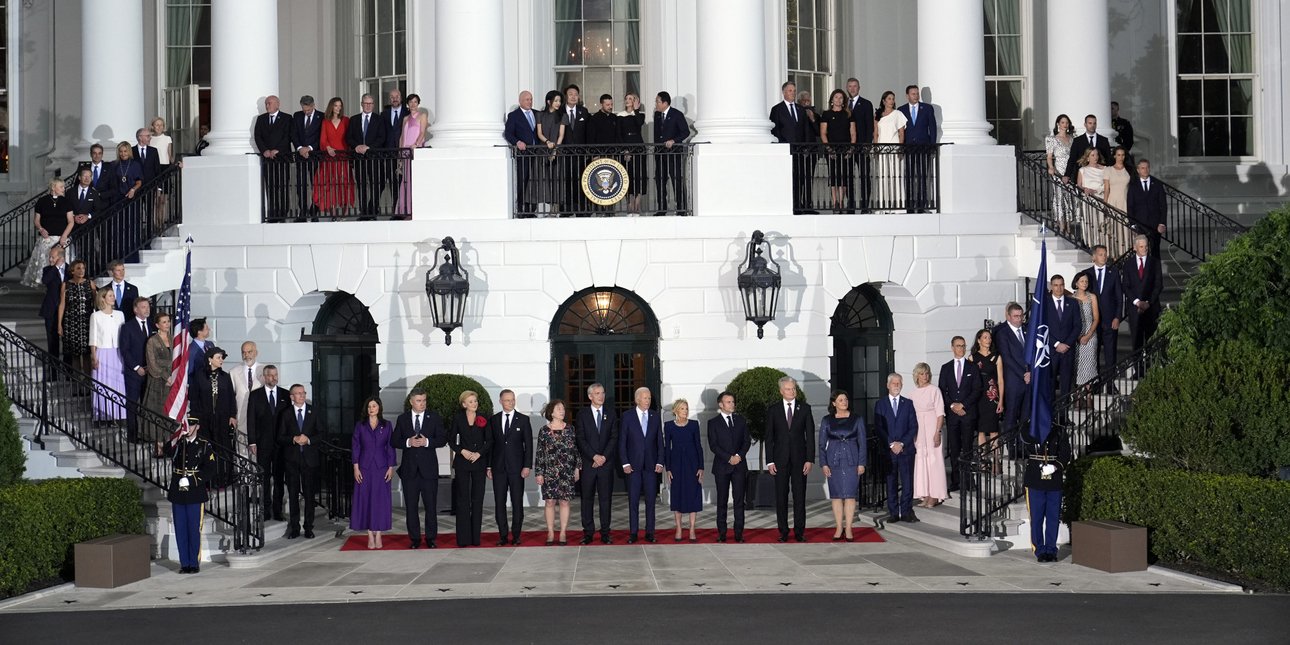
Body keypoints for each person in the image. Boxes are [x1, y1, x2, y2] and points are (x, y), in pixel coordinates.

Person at [392, 387, 446, 548]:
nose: (422, 404)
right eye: (419, 401)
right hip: (410, 471)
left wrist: (427, 442)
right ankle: (414, 539)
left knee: (430, 506)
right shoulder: (402, 419)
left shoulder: (434, 417)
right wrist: (409, 442)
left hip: (429, 470)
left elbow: (442, 439)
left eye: (424, 400)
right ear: (411, 402)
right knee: (411, 507)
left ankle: (431, 538)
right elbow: (394, 441)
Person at [765, 375, 815, 542]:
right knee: (781, 496)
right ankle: (783, 531)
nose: (792, 391)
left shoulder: (805, 408)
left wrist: (809, 459)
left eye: (793, 388)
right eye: (788, 389)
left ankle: (799, 531)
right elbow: (769, 437)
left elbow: (810, 436)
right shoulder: (773, 410)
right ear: (781, 391)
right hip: (780, 461)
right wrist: (770, 461)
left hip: (800, 460)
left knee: (800, 496)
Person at [817, 390, 867, 541]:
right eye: (840, 400)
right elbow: (821, 444)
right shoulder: (827, 420)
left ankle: (849, 528)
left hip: (852, 459)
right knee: (837, 496)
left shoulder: (857, 419)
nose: (844, 402)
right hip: (834, 460)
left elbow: (863, 442)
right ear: (834, 403)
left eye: (845, 399)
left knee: (850, 496)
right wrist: (824, 464)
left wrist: (862, 463)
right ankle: (839, 527)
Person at [168, 415, 215, 574]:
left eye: (191, 425)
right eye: (186, 425)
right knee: (180, 528)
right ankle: (184, 563)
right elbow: (166, 451)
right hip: (177, 492)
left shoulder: (204, 445)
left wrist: (193, 480)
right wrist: (176, 439)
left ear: (197, 427)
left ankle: (194, 563)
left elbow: (210, 469)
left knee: (193, 529)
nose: (188, 428)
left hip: (195, 492)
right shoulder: (178, 443)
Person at [487, 389, 532, 546]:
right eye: (507, 400)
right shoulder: (493, 420)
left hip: (517, 469)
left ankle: (516, 535)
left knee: (517, 502)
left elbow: (529, 445)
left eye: (512, 399)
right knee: (499, 502)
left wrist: (527, 466)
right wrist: (488, 467)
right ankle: (503, 535)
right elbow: (490, 445)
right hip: (498, 468)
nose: (511, 402)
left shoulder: (523, 420)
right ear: (500, 401)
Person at [351, 397, 396, 550]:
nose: (372, 408)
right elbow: (356, 447)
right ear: (367, 409)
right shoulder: (360, 426)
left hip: (382, 467)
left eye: (374, 406)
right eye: (369, 406)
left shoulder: (387, 425)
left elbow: (391, 447)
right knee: (366, 500)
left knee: (380, 501)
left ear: (379, 408)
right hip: (364, 467)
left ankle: (379, 534)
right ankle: (370, 534)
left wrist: (391, 467)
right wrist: (356, 468)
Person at [619, 386, 664, 543]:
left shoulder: (655, 416)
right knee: (633, 501)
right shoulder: (627, 416)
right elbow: (622, 441)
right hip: (633, 466)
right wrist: (625, 462)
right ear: (637, 399)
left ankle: (650, 532)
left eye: (649, 398)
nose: (648, 401)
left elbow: (660, 441)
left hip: (651, 466)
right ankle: (633, 533)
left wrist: (660, 461)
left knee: (651, 501)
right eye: (645, 398)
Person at [449, 390, 492, 547]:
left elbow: (489, 441)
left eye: (475, 401)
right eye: (471, 401)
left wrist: (479, 454)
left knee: (477, 500)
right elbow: (452, 440)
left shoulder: (484, 418)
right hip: (462, 463)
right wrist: (462, 451)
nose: (474, 403)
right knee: (462, 500)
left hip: (479, 463)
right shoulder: (458, 419)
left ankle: (475, 538)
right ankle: (463, 539)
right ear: (464, 404)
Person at [534, 399, 581, 546]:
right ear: (551, 412)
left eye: (563, 408)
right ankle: (550, 532)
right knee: (549, 502)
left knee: (565, 502)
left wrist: (577, 468)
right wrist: (539, 472)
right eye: (559, 408)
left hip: (567, 471)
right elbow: (540, 453)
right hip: (549, 472)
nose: (562, 411)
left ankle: (562, 533)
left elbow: (576, 450)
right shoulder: (544, 430)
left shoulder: (570, 429)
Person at [247, 365, 290, 521]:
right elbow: (250, 419)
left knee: (279, 478)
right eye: (270, 375)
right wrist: (252, 442)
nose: (274, 377)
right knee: (264, 478)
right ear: (264, 377)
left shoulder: (285, 395)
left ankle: (277, 511)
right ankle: (265, 510)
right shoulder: (255, 395)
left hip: (281, 445)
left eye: (275, 375)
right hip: (263, 443)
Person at [938, 336, 981, 493]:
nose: (961, 348)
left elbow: (977, 389)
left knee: (968, 448)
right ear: (952, 347)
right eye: (958, 346)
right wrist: (952, 406)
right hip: (952, 415)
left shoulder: (973, 367)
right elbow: (942, 390)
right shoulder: (946, 368)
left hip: (967, 413)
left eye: (963, 346)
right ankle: (956, 481)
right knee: (954, 448)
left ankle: (969, 481)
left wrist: (962, 405)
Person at [575, 382, 617, 544]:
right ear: (590, 396)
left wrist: (603, 457)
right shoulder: (582, 415)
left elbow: (614, 437)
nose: (601, 396)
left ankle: (605, 533)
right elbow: (580, 438)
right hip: (589, 464)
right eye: (598, 393)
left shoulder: (611, 413)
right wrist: (594, 456)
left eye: (603, 393)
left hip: (605, 464)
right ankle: (588, 533)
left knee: (606, 499)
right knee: (587, 499)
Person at [278, 383, 321, 539]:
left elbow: (321, 434)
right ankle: (295, 527)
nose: (302, 396)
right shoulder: (286, 414)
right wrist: (293, 439)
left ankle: (309, 527)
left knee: (309, 496)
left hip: (309, 461)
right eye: (298, 393)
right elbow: (280, 437)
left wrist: (308, 439)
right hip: (292, 461)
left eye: (303, 393)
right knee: (293, 494)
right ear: (292, 397)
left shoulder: (313, 412)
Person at [874, 373, 918, 522]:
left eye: (899, 383)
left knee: (907, 482)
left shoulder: (908, 403)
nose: (896, 386)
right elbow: (879, 427)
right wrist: (891, 444)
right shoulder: (880, 404)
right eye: (894, 383)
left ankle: (905, 512)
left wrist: (902, 443)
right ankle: (893, 513)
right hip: (889, 451)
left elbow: (913, 427)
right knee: (891, 482)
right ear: (888, 385)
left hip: (906, 450)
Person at [190, 346, 236, 487]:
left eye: (222, 357)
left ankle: (223, 479)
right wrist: (195, 420)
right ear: (210, 359)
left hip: (222, 419)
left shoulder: (225, 377)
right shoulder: (199, 376)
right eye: (218, 357)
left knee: (223, 448)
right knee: (206, 449)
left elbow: (230, 398)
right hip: (204, 419)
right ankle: (207, 481)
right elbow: (194, 399)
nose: (221, 360)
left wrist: (232, 415)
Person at [1024, 425, 1072, 562]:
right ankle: (1039, 550)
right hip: (1035, 479)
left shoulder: (1059, 430)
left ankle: (1051, 549)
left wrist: (1055, 466)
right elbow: (1024, 442)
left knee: (1053, 517)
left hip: (1054, 479)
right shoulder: (1030, 428)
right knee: (1037, 518)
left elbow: (1065, 453)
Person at [708, 390, 750, 543]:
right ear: (721, 404)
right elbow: (713, 445)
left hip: (739, 466)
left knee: (739, 501)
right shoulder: (713, 423)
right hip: (722, 467)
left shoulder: (741, 421)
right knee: (722, 500)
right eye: (728, 402)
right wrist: (728, 458)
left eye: (733, 402)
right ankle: (722, 533)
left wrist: (738, 456)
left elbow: (746, 441)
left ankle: (739, 533)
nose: (732, 404)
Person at [116, 276, 155, 443]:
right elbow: (124, 351)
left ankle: (146, 434)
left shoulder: (153, 325)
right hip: (134, 373)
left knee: (148, 405)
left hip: (150, 372)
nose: (147, 310)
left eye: (147, 307)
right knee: (133, 405)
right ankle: (133, 436)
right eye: (143, 307)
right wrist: (136, 367)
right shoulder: (127, 327)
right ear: (135, 310)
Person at [1120, 235, 1162, 377]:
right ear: (1135, 248)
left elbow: (1158, 285)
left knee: (1151, 340)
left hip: (1151, 308)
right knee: (1136, 342)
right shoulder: (1128, 264)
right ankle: (1139, 371)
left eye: (1146, 246)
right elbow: (1126, 286)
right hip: (1134, 309)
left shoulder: (1155, 262)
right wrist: (1137, 302)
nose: (1145, 249)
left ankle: (1151, 369)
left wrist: (1147, 303)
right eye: (1142, 247)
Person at [664, 398, 703, 542]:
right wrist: (668, 468)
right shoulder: (668, 426)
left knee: (693, 496)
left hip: (692, 464)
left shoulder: (694, 425)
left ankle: (692, 529)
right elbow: (667, 448)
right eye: (682, 409)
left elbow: (698, 446)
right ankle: (679, 528)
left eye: (686, 409)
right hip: (676, 465)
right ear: (675, 410)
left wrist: (701, 467)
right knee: (677, 496)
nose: (685, 411)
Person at [22, 179, 74, 288]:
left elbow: (71, 221)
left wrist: (64, 236)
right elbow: (36, 220)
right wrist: (41, 229)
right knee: (46, 265)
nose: (64, 189)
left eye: (63, 187)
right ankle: (48, 289)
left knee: (63, 266)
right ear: (53, 187)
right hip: (46, 239)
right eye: (61, 187)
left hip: (62, 239)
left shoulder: (67, 201)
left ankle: (63, 287)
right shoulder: (42, 201)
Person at [1086, 245, 1124, 392]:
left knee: (1110, 353)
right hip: (1093, 323)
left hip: (1110, 321)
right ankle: (1095, 383)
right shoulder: (1086, 274)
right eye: (1101, 254)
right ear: (1094, 257)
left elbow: (1119, 297)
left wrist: (1117, 317)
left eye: (1105, 254)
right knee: (1093, 354)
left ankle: (1110, 384)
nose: (1104, 257)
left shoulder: (1113, 272)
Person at [770, 82, 812, 213]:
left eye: (794, 90)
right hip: (785, 151)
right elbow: (775, 130)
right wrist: (781, 146)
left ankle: (798, 204)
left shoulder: (800, 109)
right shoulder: (777, 109)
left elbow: (805, 129)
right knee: (787, 178)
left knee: (799, 177)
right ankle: (789, 204)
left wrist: (806, 146)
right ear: (783, 92)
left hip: (799, 150)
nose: (792, 93)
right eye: (789, 91)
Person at [345, 93, 389, 218]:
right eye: (366, 103)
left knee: (377, 183)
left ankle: (373, 209)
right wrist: (357, 146)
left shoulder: (379, 119)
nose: (368, 106)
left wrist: (369, 148)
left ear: (373, 105)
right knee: (361, 184)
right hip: (359, 158)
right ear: (362, 104)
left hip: (374, 157)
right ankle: (364, 211)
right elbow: (349, 137)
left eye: (370, 103)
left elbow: (382, 137)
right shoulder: (354, 119)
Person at [909, 363, 946, 509]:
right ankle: (924, 493)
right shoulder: (912, 393)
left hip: (932, 428)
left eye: (926, 373)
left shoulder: (934, 390)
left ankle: (935, 495)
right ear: (916, 375)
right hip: (919, 430)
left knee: (934, 460)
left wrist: (937, 432)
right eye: (922, 374)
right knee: (921, 460)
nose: (925, 376)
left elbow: (940, 413)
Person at [88, 288, 126, 426]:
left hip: (118, 353)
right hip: (102, 353)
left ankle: (119, 415)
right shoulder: (96, 316)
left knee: (118, 384)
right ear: (102, 298)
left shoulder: (120, 314)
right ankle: (102, 417)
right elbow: (93, 338)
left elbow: (123, 335)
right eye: (110, 295)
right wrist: (94, 357)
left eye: (113, 295)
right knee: (103, 383)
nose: (113, 297)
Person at [312, 97, 355, 218]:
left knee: (344, 183)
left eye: (340, 106)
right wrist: (328, 148)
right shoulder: (325, 121)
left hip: (343, 157)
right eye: (336, 105)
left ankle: (345, 213)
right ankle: (333, 213)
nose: (338, 108)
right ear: (331, 106)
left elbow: (349, 138)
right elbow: (322, 140)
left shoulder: (346, 120)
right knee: (329, 184)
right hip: (329, 158)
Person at [993, 302, 1031, 438]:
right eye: (1015, 316)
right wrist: (1023, 374)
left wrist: (1031, 372)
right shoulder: (1002, 333)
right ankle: (1010, 448)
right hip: (1014, 381)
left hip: (1029, 379)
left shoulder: (1027, 330)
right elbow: (1007, 358)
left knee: (1026, 416)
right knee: (1011, 416)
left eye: (1021, 316)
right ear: (1008, 317)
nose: (1019, 319)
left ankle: (1023, 446)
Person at [253, 95, 293, 221]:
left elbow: (288, 136)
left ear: (277, 104)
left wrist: (278, 150)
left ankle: (283, 212)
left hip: (282, 158)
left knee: (282, 185)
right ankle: (273, 213)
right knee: (270, 186)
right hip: (268, 159)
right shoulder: (261, 119)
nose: (267, 105)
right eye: (266, 103)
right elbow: (257, 136)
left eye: (269, 103)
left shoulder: (287, 118)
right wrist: (265, 150)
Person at [898, 85, 937, 213]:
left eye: (917, 93)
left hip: (923, 146)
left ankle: (921, 204)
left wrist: (932, 146)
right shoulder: (901, 110)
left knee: (922, 176)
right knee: (908, 176)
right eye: (913, 94)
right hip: (908, 148)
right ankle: (909, 205)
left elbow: (933, 128)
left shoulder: (927, 108)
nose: (916, 96)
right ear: (907, 95)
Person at [970, 329, 1004, 469]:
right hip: (978, 396)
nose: (988, 340)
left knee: (994, 430)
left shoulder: (997, 357)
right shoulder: (972, 358)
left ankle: (996, 463)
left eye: (989, 337)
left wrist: (1001, 400)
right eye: (985, 337)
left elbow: (1000, 380)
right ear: (979, 340)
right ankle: (983, 461)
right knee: (981, 430)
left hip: (992, 395)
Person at [819, 89, 857, 213]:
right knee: (834, 175)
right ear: (832, 99)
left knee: (844, 176)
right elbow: (823, 133)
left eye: (841, 98)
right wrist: (829, 149)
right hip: (831, 148)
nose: (838, 100)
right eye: (836, 97)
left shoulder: (848, 114)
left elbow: (853, 133)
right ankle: (835, 202)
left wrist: (851, 149)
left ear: (844, 101)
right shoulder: (826, 114)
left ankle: (841, 201)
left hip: (846, 148)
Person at [142, 311, 174, 458]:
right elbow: (152, 364)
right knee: (158, 413)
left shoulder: (174, 339)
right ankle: (158, 447)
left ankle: (169, 445)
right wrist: (166, 376)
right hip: (158, 382)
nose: (167, 324)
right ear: (157, 325)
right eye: (164, 322)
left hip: (173, 381)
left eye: (168, 321)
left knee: (170, 413)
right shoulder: (152, 341)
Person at [1044, 275, 1080, 399]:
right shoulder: (1044, 304)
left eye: (1061, 285)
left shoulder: (1073, 303)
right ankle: (1051, 415)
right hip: (1051, 350)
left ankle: (1064, 416)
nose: (1059, 288)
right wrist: (1056, 344)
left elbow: (1077, 326)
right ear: (1051, 286)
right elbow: (1042, 328)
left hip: (1068, 350)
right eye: (1056, 285)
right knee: (1049, 383)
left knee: (1066, 384)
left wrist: (1067, 344)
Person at [503, 91, 539, 217]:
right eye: (527, 99)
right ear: (520, 101)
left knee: (535, 182)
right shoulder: (514, 115)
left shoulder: (537, 113)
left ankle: (532, 209)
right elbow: (508, 133)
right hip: (523, 154)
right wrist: (517, 142)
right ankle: (521, 209)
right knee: (523, 181)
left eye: (531, 99)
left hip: (538, 153)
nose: (530, 102)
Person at [653, 91, 690, 215]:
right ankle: (662, 208)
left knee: (676, 180)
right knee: (660, 180)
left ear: (665, 102)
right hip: (660, 154)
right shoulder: (657, 116)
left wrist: (674, 141)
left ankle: (681, 208)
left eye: (657, 101)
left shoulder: (676, 114)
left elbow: (685, 132)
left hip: (673, 153)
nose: (656, 104)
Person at [57, 259, 95, 375]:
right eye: (78, 268)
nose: (81, 271)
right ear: (72, 271)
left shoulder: (90, 283)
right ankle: (77, 385)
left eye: (83, 268)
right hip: (71, 323)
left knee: (87, 354)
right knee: (75, 355)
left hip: (87, 322)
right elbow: (62, 305)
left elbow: (96, 302)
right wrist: (59, 324)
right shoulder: (66, 285)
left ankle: (89, 385)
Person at [844, 77, 876, 212]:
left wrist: (868, 144)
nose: (852, 89)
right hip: (847, 147)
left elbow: (870, 126)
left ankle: (864, 205)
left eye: (855, 86)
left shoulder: (866, 104)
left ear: (859, 88)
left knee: (864, 176)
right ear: (847, 88)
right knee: (848, 177)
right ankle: (850, 205)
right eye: (850, 86)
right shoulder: (842, 104)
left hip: (862, 146)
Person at [108, 142, 143, 262]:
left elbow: (139, 182)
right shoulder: (114, 165)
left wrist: (133, 190)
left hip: (131, 199)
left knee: (132, 227)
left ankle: (132, 256)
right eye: (121, 151)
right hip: (118, 200)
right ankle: (119, 256)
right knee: (118, 228)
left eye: (125, 151)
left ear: (129, 151)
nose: (123, 153)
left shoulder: (135, 164)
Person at [1070, 271, 1102, 406]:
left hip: (1090, 334)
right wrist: (1077, 336)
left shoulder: (1092, 297)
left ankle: (1089, 396)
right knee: (1077, 365)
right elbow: (1070, 320)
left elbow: (1096, 318)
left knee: (1089, 365)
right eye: (1082, 281)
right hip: (1076, 334)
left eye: (1086, 281)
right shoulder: (1071, 298)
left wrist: (1088, 335)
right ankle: (1078, 396)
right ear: (1076, 283)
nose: (1084, 283)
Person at [873, 90, 907, 211]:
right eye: (889, 99)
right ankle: (884, 206)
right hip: (882, 148)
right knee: (883, 176)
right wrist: (876, 148)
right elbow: (875, 133)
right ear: (883, 101)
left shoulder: (898, 114)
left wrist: (900, 148)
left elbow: (901, 133)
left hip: (895, 147)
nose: (891, 101)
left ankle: (898, 205)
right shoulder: (878, 115)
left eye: (893, 99)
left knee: (896, 175)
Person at [394, 93, 427, 216]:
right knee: (406, 180)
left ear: (418, 103)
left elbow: (423, 132)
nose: (413, 104)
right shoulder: (405, 118)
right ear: (407, 104)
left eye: (415, 102)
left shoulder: (422, 116)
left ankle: (415, 209)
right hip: (405, 151)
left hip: (415, 151)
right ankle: (405, 210)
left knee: (415, 179)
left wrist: (416, 145)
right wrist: (400, 153)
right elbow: (402, 136)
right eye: (411, 102)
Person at [1126, 159, 1167, 258]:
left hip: (1155, 225)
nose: (1145, 170)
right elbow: (1130, 205)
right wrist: (1132, 224)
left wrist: (1162, 223)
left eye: (1147, 167)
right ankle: (1143, 273)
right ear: (1138, 170)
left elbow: (1163, 205)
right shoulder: (1133, 185)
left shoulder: (1157, 184)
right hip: (1139, 224)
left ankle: (1156, 273)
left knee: (1155, 251)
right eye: (1143, 168)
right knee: (1141, 252)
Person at [535, 90, 567, 217]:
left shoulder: (563, 116)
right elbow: (539, 133)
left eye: (559, 101)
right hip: (543, 150)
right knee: (544, 179)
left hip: (557, 151)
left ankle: (555, 208)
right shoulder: (540, 115)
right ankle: (544, 208)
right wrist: (547, 142)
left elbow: (561, 135)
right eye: (556, 101)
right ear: (549, 101)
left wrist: (555, 149)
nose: (558, 103)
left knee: (557, 179)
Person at [228, 341, 262, 458]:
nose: (246, 355)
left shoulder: (264, 370)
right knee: (241, 453)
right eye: (244, 352)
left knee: (259, 453)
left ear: (256, 352)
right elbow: (231, 397)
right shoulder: (233, 372)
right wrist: (232, 415)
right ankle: (243, 477)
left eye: (249, 352)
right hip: (241, 419)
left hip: (259, 420)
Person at [292, 96, 323, 220]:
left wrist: (309, 148)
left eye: (308, 110)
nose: (306, 112)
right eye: (304, 110)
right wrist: (300, 148)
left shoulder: (321, 116)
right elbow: (293, 134)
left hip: (314, 156)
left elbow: (321, 135)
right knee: (301, 185)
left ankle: (315, 211)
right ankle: (303, 211)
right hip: (301, 156)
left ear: (313, 105)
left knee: (316, 185)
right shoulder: (297, 116)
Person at [561, 84, 591, 214]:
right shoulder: (559, 111)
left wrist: (588, 151)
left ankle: (581, 208)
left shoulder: (583, 111)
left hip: (580, 154)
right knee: (566, 180)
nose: (573, 97)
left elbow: (588, 133)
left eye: (576, 94)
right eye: (571, 94)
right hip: (564, 153)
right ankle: (567, 208)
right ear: (566, 97)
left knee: (581, 180)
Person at [617, 93, 647, 216]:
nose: (628, 100)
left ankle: (637, 206)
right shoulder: (620, 115)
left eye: (631, 99)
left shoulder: (639, 114)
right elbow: (618, 134)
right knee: (627, 176)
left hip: (639, 147)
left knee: (639, 175)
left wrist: (635, 110)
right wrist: (625, 150)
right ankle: (630, 206)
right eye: (627, 99)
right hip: (626, 147)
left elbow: (639, 123)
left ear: (636, 101)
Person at [39, 246, 68, 370]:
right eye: (49, 257)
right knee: (52, 343)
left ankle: (69, 373)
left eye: (53, 257)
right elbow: (45, 281)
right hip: (51, 310)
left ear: (60, 257)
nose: (50, 259)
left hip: (67, 311)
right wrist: (56, 266)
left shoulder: (71, 269)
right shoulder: (48, 270)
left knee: (67, 344)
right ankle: (54, 372)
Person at [1045, 114, 1074, 226]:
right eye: (1062, 122)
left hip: (1070, 170)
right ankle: (1061, 225)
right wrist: (1051, 167)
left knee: (1069, 196)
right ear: (1058, 124)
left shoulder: (1072, 139)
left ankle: (1068, 225)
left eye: (1066, 122)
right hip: (1059, 170)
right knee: (1059, 196)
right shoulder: (1052, 139)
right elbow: (1049, 156)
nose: (1065, 125)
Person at [1065, 114, 1112, 183]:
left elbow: (1108, 159)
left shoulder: (1103, 140)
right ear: (1085, 124)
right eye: (1090, 123)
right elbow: (1072, 159)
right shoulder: (1077, 141)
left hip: (1100, 176)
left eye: (1094, 123)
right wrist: (1067, 175)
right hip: (1083, 177)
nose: (1092, 125)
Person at [148, 117, 174, 229]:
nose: (159, 127)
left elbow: (170, 154)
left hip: (165, 167)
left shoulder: (167, 138)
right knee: (155, 200)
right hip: (153, 168)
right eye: (156, 125)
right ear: (153, 126)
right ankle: (155, 223)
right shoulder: (150, 139)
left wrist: (174, 164)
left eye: (161, 125)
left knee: (162, 200)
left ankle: (161, 223)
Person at [1075, 148, 1107, 237]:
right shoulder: (1082, 170)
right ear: (1088, 157)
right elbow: (1079, 185)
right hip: (1088, 199)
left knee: (1101, 223)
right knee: (1089, 222)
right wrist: (1085, 189)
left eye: (1096, 154)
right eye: (1092, 155)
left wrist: (1097, 190)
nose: (1095, 157)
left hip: (1101, 198)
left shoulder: (1105, 169)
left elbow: (1107, 185)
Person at [1105, 147, 1131, 214]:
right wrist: (1105, 204)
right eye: (1119, 155)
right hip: (1112, 201)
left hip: (1125, 201)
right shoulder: (1108, 170)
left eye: (1123, 155)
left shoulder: (1129, 170)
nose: (1121, 157)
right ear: (1114, 156)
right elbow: (1106, 189)